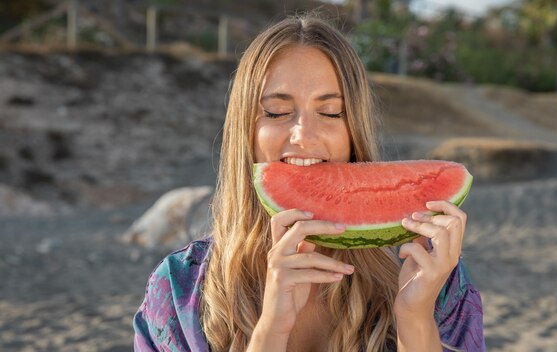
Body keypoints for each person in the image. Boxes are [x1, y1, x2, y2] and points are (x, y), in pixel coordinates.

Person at [133, 13, 485, 352]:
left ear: (354, 130)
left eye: (331, 112)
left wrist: (415, 319)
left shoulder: (430, 275)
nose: (303, 134)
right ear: (246, 130)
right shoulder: (179, 292)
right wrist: (271, 328)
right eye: (276, 112)